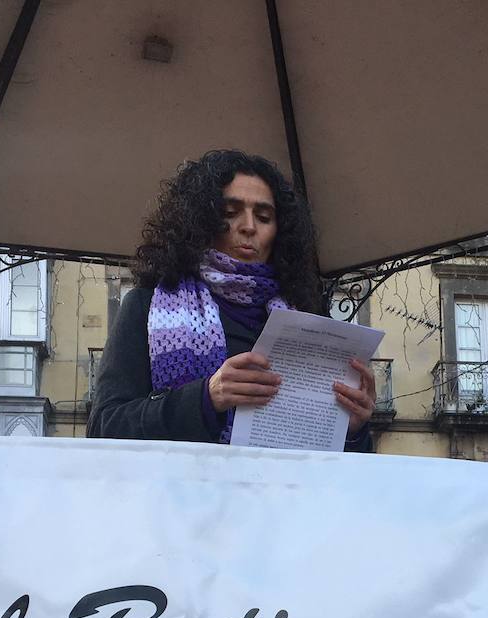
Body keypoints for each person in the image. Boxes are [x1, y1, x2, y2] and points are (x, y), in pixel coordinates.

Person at [87, 150, 376, 450]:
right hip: (182, 494)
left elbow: (339, 462)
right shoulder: (144, 306)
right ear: (200, 221)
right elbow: (104, 427)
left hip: (284, 494)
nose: (249, 226)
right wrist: (206, 399)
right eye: (230, 212)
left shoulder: (308, 317)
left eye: (264, 217)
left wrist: (352, 429)